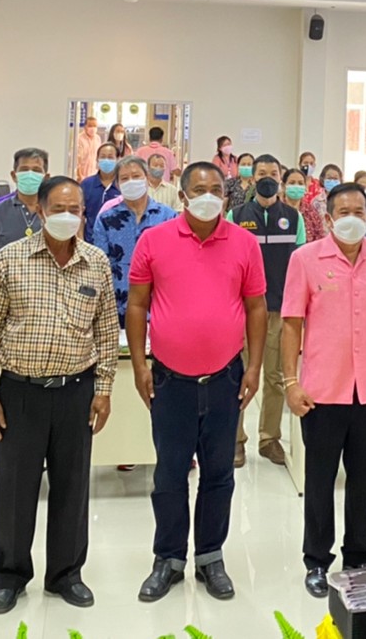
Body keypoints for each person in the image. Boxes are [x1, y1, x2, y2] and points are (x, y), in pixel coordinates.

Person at [127, 162, 266, 604]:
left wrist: (254, 367)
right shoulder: (154, 240)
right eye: (199, 189)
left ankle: (210, 557)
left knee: (219, 473)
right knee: (169, 474)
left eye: (216, 189)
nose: (208, 196)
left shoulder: (244, 242)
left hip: (225, 378)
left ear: (225, 195)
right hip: (170, 380)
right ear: (182, 195)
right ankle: (168, 558)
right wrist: (139, 364)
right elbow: (137, 305)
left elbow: (257, 307)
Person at [0, 176, 118, 615]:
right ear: (39, 211)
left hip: (76, 391)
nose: (66, 217)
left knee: (73, 487)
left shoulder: (96, 262)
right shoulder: (10, 258)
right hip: (19, 392)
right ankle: (10, 576)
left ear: (84, 214)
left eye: (75, 210)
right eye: (58, 209)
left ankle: (66, 574)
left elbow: (107, 331)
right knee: (15, 489)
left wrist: (104, 389)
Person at [282, 181, 366, 597]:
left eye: (359, 212)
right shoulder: (305, 259)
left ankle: (359, 557)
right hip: (321, 392)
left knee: (363, 479)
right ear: (328, 218)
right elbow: (291, 323)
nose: (352, 219)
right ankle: (317, 560)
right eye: (344, 213)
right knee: (319, 480)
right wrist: (290, 381)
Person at [226, 154, 305, 467]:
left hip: (279, 308)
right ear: (253, 178)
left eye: (273, 172)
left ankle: (269, 439)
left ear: (281, 178)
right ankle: (235, 441)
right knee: (238, 376)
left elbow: (300, 264)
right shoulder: (236, 215)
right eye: (262, 173)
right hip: (242, 309)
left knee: (275, 377)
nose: (268, 178)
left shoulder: (294, 218)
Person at [98, 156, 178, 324]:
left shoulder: (168, 217)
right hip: (116, 308)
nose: (131, 182)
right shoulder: (106, 220)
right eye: (124, 178)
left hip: (159, 307)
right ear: (117, 184)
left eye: (136, 176)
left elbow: (175, 265)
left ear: (147, 178)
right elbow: (99, 266)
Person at [0, 150, 49, 302]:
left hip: (45, 295)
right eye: (24, 169)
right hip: (4, 295)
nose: (30, 174)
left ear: (46, 177)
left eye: (36, 170)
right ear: (14, 175)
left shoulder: (54, 213)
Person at [80, 143, 120, 245]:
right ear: (97, 160)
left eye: (110, 157)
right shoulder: (86, 184)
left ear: (118, 160)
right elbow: (80, 215)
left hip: (116, 244)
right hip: (90, 243)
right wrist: (80, 241)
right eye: (103, 157)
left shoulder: (122, 185)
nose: (106, 160)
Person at [75, 114, 102, 182]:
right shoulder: (79, 138)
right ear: (85, 127)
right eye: (90, 126)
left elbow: (98, 157)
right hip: (81, 175)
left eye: (94, 126)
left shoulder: (97, 138)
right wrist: (80, 175)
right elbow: (77, 159)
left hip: (94, 174)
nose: (92, 128)